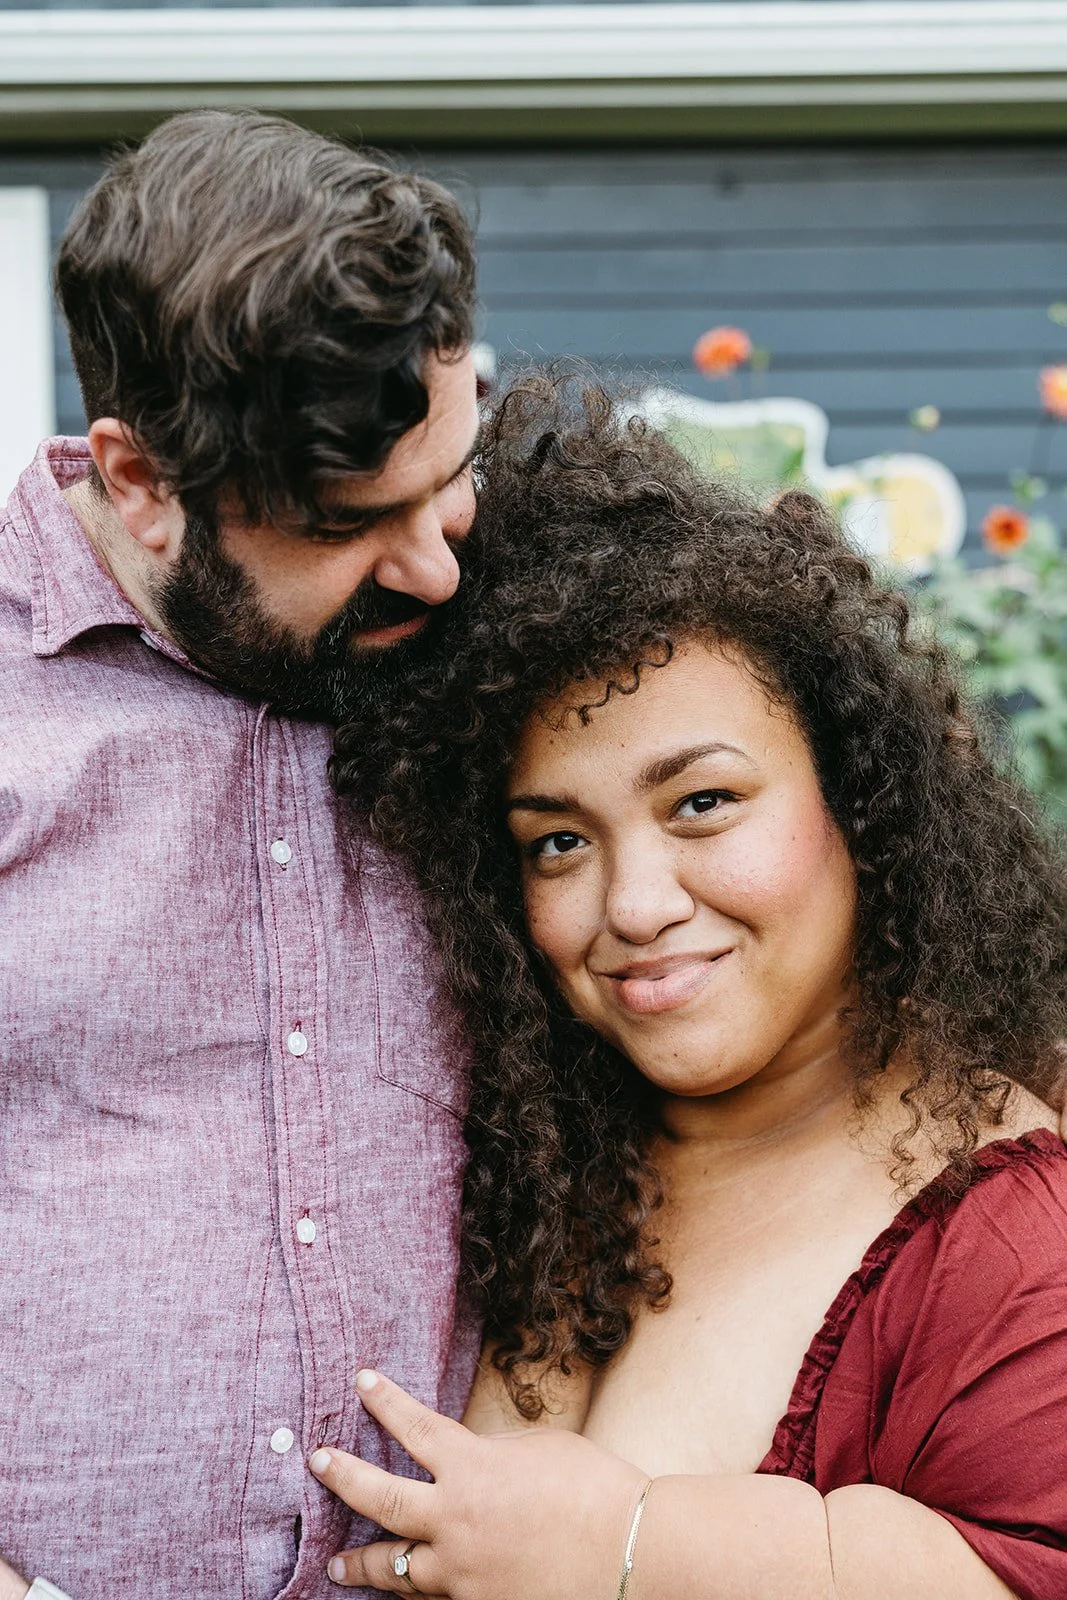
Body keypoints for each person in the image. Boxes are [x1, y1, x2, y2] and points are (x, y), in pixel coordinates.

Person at [318, 376, 1067, 1599]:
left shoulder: (1009, 1237)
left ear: (859, 802)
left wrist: (620, 1549)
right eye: (555, 839)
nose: (633, 903)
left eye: (702, 803)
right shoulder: (525, 1162)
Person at [0, 110, 482, 1600]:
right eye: (353, 525)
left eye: (452, 476)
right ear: (142, 481)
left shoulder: (508, 627)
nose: (437, 565)